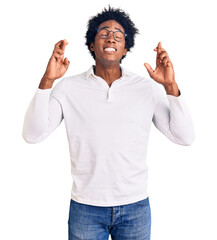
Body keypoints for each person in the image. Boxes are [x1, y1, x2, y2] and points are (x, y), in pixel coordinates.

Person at [22, 6, 195, 240]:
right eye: (103, 33)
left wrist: (170, 87)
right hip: (86, 208)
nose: (111, 37)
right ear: (92, 45)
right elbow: (32, 135)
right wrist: (48, 80)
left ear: (125, 48)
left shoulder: (146, 88)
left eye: (118, 34)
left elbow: (184, 137)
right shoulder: (68, 88)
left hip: (135, 207)